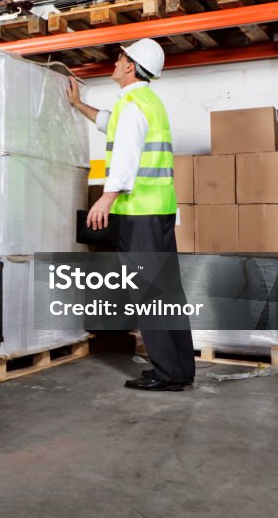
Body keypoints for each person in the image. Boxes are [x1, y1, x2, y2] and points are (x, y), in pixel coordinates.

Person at [68, 38, 196, 391]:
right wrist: (79, 105)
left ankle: (168, 375)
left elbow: (125, 154)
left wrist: (106, 199)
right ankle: (180, 369)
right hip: (158, 212)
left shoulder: (133, 106)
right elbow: (109, 123)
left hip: (141, 215)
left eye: (121, 56)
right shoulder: (144, 103)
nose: (115, 60)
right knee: (167, 293)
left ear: (130, 66)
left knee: (150, 294)